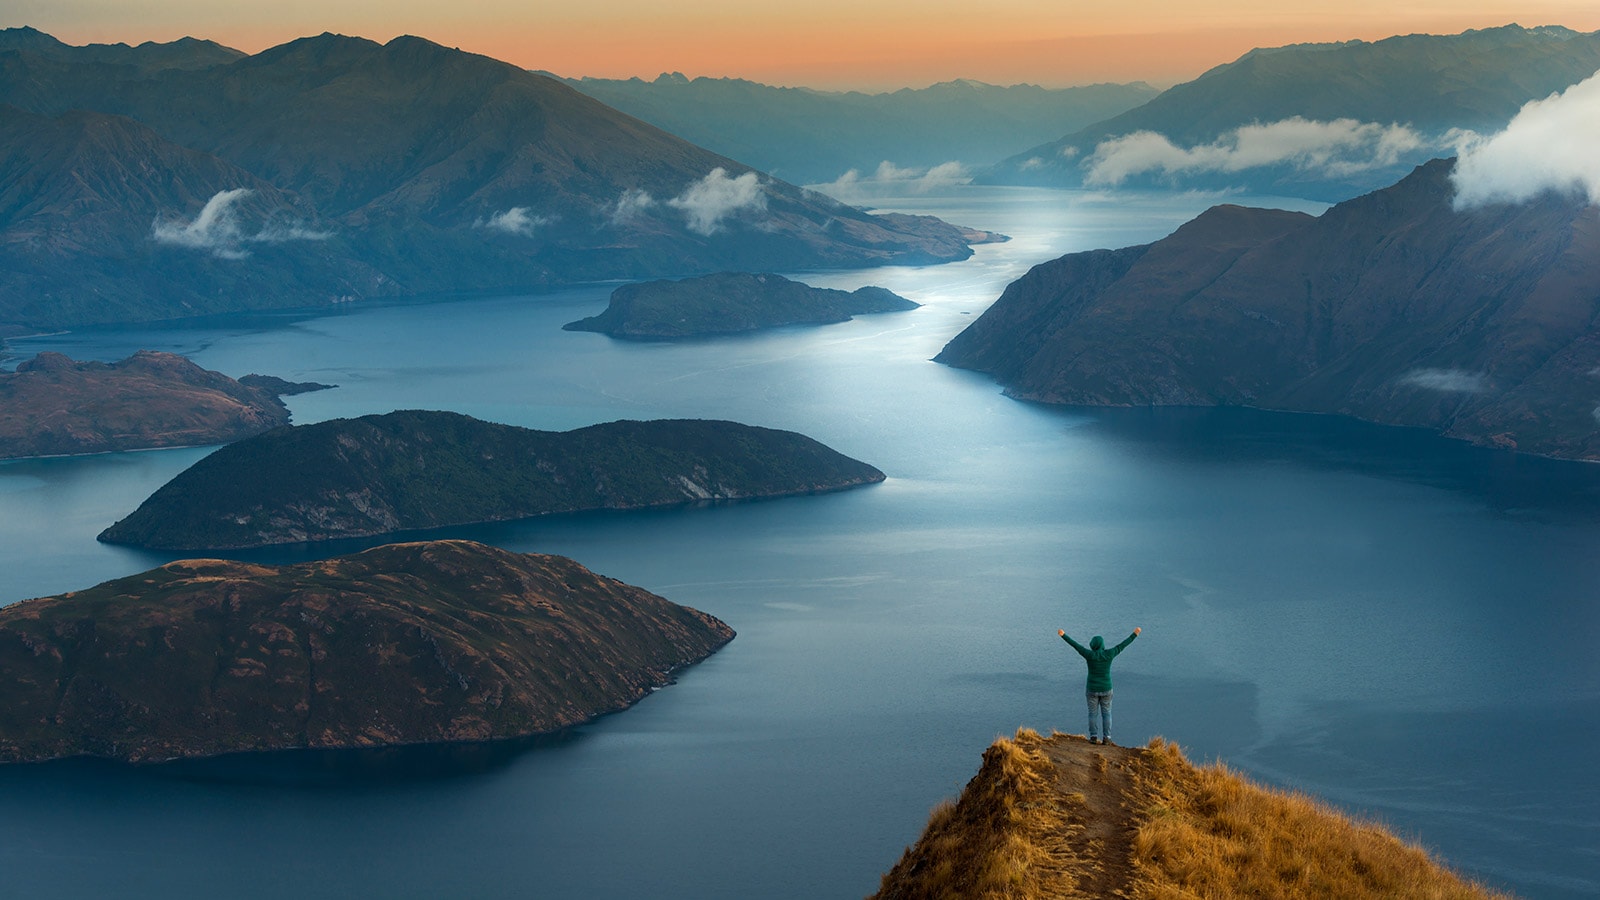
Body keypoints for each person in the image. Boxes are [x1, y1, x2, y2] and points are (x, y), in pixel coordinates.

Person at [1058, 626, 1140, 745]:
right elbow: (1122, 645)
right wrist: (1135, 634)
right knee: (1106, 714)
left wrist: (1063, 635)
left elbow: (1076, 646)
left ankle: (1093, 737)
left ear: (1093, 645)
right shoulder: (1109, 654)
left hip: (1092, 689)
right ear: (1102, 644)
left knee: (1092, 714)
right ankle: (1106, 738)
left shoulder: (1089, 655)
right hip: (1106, 688)